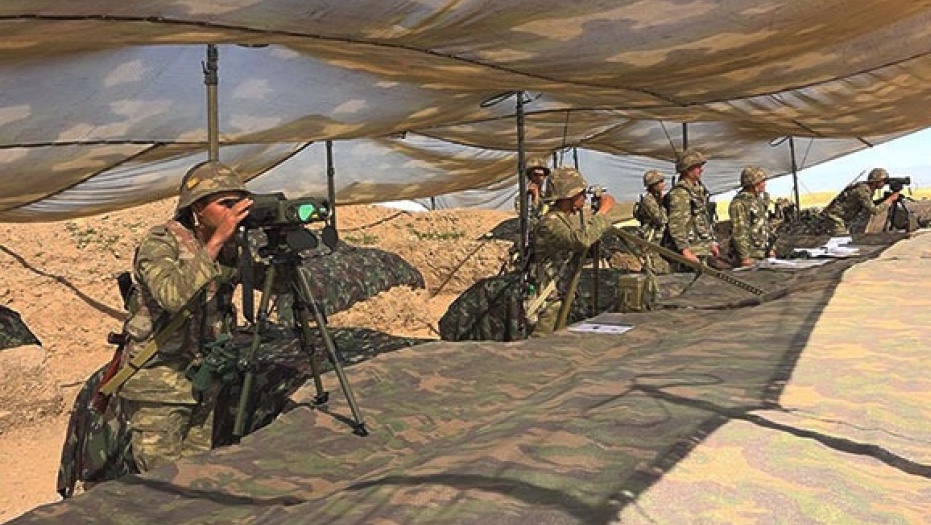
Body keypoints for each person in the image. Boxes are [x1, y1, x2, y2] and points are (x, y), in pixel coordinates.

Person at [116, 160, 253, 472]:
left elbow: (276, 284)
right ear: (197, 209)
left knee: (194, 477)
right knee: (162, 482)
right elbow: (171, 296)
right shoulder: (161, 241)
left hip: (203, 380)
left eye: (239, 203)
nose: (234, 212)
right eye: (225, 204)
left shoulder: (232, 247)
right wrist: (216, 244)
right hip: (159, 383)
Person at [529, 166, 615, 337]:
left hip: (557, 296)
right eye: (581, 194)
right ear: (569, 195)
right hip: (546, 300)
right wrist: (602, 213)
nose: (584, 198)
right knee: (540, 346)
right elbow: (581, 240)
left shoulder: (562, 220)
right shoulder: (551, 222)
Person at [665, 148, 724, 267]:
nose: (701, 170)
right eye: (697, 166)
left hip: (702, 249)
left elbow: (703, 219)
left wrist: (711, 243)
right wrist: (685, 251)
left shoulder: (697, 191)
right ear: (687, 169)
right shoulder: (680, 193)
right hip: (692, 252)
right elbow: (677, 224)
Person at [820, 167, 900, 235]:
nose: (885, 183)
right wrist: (890, 199)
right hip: (835, 218)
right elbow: (874, 210)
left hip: (841, 219)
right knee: (841, 242)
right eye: (884, 181)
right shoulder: (862, 191)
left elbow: (868, 205)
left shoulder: (867, 188)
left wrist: (884, 199)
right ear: (877, 181)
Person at [728, 166, 774, 267]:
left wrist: (770, 249)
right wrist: (744, 257)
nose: (765, 184)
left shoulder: (758, 201)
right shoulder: (739, 203)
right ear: (754, 184)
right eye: (762, 181)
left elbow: (765, 226)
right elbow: (739, 231)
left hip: (763, 254)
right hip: (750, 257)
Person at [633, 169, 671, 274]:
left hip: (658, 239)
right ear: (653, 185)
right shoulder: (648, 200)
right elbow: (661, 219)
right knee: (656, 268)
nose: (663, 184)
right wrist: (664, 205)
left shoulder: (656, 198)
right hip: (651, 238)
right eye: (660, 182)